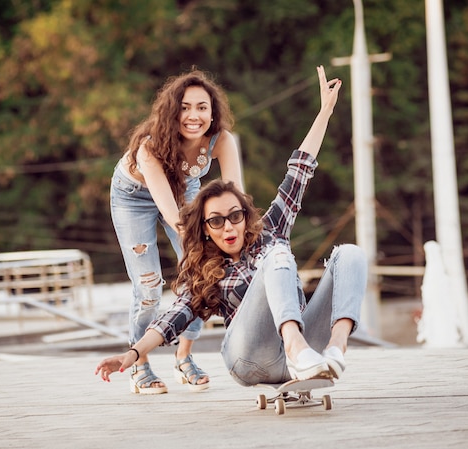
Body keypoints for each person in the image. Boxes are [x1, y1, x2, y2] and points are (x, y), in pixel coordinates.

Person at [97, 66, 367, 389]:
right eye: (216, 221)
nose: (228, 227)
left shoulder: (268, 230)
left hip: (304, 355)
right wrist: (132, 353)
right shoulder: (211, 266)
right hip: (248, 357)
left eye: (235, 216)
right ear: (207, 227)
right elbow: (176, 312)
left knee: (348, 254)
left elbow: (300, 170)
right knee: (154, 283)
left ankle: (335, 349)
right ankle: (293, 348)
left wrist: (324, 111)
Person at [110, 69, 243, 394]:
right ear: (172, 111)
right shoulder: (149, 147)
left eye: (201, 107)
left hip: (186, 188)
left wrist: (235, 238)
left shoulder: (222, 140)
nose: (193, 115)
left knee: (205, 274)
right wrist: (206, 236)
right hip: (134, 197)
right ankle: (139, 363)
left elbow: (235, 197)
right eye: (185, 107)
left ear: (213, 112)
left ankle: (184, 357)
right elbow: (174, 217)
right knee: (150, 287)